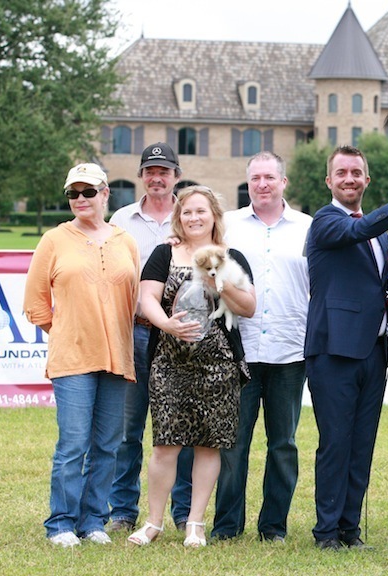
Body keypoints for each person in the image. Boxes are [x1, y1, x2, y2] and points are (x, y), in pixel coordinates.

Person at [305, 145, 388, 550]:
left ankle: (350, 529)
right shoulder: (325, 221)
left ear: (367, 179)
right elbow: (352, 233)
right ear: (330, 181)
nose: (349, 179)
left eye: (356, 172)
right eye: (341, 172)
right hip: (332, 351)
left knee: (362, 444)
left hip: (372, 351)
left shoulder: (379, 232)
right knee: (335, 444)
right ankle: (326, 532)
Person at [127, 186, 256, 547]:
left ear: (215, 215)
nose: (194, 218)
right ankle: (153, 522)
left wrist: (220, 283)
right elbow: (146, 297)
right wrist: (165, 324)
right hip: (170, 363)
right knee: (165, 445)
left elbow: (248, 307)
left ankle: (195, 524)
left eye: (201, 211)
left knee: (208, 445)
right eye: (187, 212)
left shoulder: (232, 257)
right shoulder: (163, 252)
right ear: (178, 218)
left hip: (218, 365)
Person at [24, 163, 140, 547]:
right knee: (73, 445)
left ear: (106, 194)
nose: (80, 200)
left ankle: (93, 522)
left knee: (108, 445)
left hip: (117, 358)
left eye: (88, 192)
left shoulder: (125, 240)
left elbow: (136, 297)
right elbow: (35, 304)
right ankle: (60, 523)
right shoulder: (54, 240)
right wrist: (69, 333)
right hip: (73, 360)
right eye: (73, 193)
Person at [212, 152, 312, 543]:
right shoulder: (229, 226)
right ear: (248, 182)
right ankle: (226, 526)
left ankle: (274, 526)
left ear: (283, 182)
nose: (263, 184)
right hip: (240, 350)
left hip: (290, 351)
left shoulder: (307, 227)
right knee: (233, 444)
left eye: (270, 177)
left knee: (283, 445)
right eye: (255, 178)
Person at [107, 142, 194, 533]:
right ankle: (123, 510)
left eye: (164, 171)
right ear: (141, 175)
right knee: (129, 429)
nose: (156, 178)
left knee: (182, 426)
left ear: (176, 175)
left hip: (182, 338)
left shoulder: (190, 215)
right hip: (136, 334)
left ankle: (183, 510)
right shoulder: (122, 219)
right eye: (150, 171)